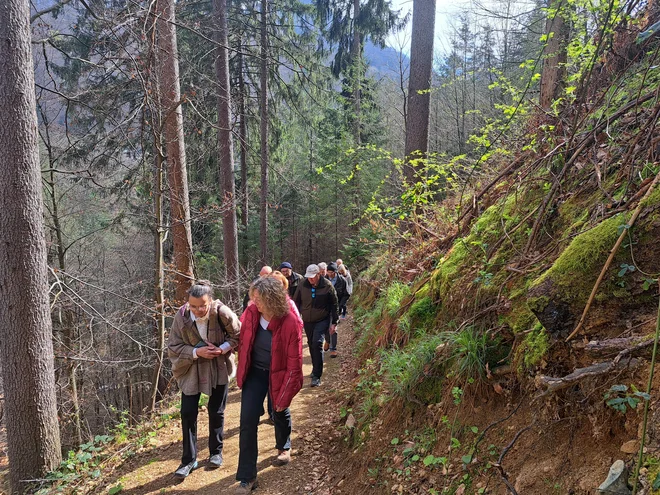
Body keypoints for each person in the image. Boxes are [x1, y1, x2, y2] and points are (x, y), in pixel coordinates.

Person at [235, 277, 304, 494]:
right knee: (247, 421)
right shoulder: (250, 314)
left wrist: (283, 397)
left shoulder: (290, 322)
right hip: (255, 372)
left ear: (272, 299)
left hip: (280, 373)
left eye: (258, 299)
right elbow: (242, 341)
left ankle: (283, 446)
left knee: (279, 410)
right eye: (252, 297)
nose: (253, 301)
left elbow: (295, 366)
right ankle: (247, 477)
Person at [168, 280, 241, 478]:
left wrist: (223, 349)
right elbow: (173, 347)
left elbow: (239, 334)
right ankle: (188, 460)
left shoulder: (222, 313)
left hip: (218, 366)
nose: (199, 310)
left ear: (210, 301)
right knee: (187, 412)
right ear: (188, 304)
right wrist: (196, 352)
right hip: (191, 368)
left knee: (216, 410)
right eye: (194, 306)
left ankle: (215, 452)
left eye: (203, 305)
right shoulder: (181, 317)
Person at [293, 264, 338, 387]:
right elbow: (296, 302)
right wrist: (295, 318)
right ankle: (315, 368)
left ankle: (317, 376)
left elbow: (334, 305)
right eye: (309, 277)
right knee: (312, 344)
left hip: (322, 319)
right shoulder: (302, 284)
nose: (310, 279)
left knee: (317, 343)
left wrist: (334, 322)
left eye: (313, 277)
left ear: (319, 274)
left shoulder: (327, 286)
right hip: (307, 320)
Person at [325, 262, 348, 358]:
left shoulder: (342, 280)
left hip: (336, 308)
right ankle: (328, 340)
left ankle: (333, 349)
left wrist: (341, 304)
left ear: (335, 272)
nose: (329, 274)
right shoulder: (323, 280)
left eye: (331, 272)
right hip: (325, 307)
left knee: (333, 328)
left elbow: (346, 294)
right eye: (328, 272)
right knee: (325, 326)